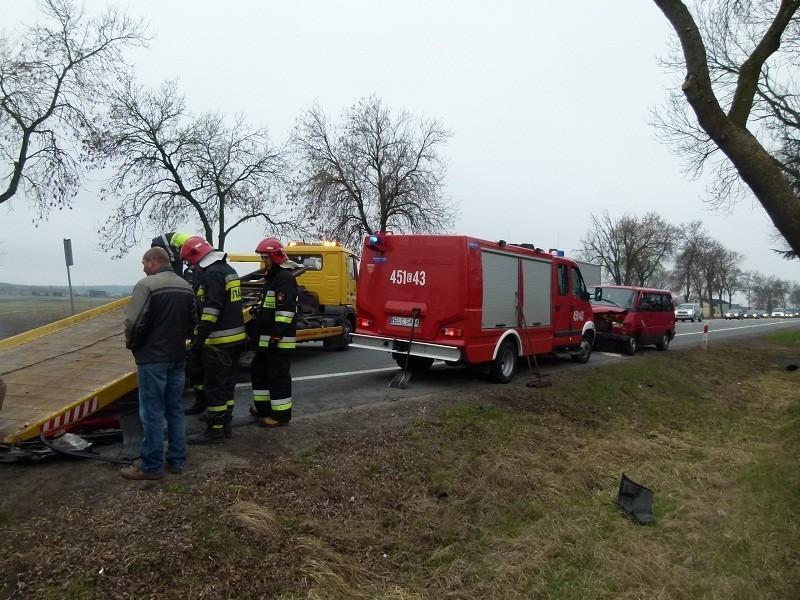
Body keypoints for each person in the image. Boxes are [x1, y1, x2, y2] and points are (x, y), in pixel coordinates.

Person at [121, 246, 197, 480]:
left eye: (144, 263)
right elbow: (192, 322)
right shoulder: (186, 286)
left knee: (152, 412)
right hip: (176, 357)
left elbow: (134, 323)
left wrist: (133, 346)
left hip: (152, 359)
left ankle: (151, 466)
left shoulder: (146, 286)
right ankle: (176, 461)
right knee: (175, 409)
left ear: (153, 261)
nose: (143, 268)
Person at [180, 236, 246, 444]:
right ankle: (225, 425)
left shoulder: (212, 274)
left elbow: (212, 308)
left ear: (195, 256)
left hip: (218, 342)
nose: (191, 267)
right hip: (235, 339)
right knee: (227, 386)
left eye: (189, 262)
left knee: (215, 387)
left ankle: (215, 431)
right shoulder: (228, 270)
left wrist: (200, 337)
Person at [151, 232, 207, 416]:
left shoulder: (203, 274)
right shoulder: (192, 269)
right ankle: (201, 402)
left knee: (201, 369)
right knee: (196, 368)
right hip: (195, 329)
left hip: (200, 330)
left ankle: (206, 405)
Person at [249, 237, 298, 427]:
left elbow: (285, 311)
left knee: (277, 377)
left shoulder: (284, 278)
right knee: (259, 370)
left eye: (265, 257)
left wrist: (276, 334)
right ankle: (263, 408)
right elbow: (269, 306)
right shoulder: (273, 277)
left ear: (275, 257)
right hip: (267, 337)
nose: (264, 261)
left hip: (278, 339)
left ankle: (280, 416)